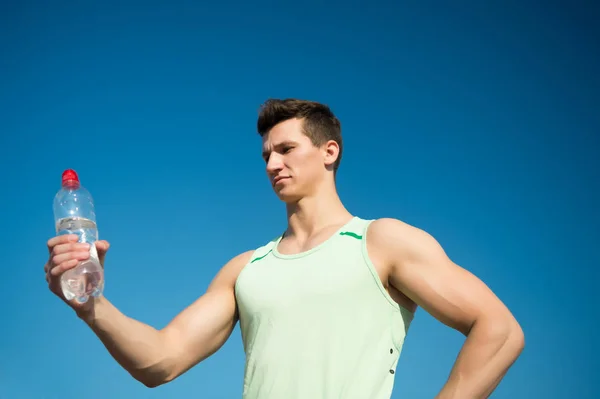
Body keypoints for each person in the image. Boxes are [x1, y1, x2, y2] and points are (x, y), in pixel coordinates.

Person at [44, 98, 524, 398]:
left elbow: (499, 330)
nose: (272, 163)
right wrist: (91, 307)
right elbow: (161, 361)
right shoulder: (245, 269)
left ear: (329, 151)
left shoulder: (382, 241)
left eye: (287, 149)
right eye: (266, 155)